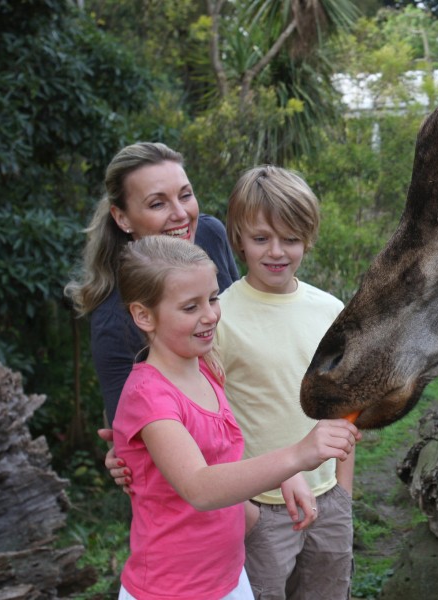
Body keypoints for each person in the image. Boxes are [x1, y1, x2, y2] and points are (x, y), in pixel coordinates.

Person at [111, 234, 359, 600]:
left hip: (228, 579)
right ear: (144, 315)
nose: (210, 315)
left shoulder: (206, 367)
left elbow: (219, 454)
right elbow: (199, 486)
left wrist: (280, 476)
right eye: (190, 307)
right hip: (170, 589)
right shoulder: (149, 397)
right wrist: (296, 457)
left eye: (212, 298)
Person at [216, 165, 353, 599]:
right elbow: (210, 423)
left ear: (308, 238)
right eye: (261, 238)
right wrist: (245, 510)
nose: (276, 251)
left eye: (290, 238)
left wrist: (343, 493)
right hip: (261, 511)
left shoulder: (331, 311)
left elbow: (345, 408)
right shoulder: (219, 318)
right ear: (239, 239)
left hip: (329, 501)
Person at [64, 142, 240, 424]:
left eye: (185, 195)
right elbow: (130, 430)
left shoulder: (209, 235)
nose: (180, 214)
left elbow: (245, 318)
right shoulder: (115, 319)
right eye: (157, 203)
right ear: (122, 218)